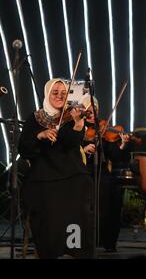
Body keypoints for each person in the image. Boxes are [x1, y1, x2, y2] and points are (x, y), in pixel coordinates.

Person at [19, 79, 94, 258]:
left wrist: (77, 125)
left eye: (63, 93)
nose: (60, 96)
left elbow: (72, 142)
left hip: (71, 176)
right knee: (47, 214)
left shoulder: (71, 117)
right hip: (44, 177)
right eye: (55, 92)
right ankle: (50, 252)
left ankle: (73, 250)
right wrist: (40, 135)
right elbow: (24, 149)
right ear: (47, 94)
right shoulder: (35, 118)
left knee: (77, 209)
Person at [79, 94, 123, 253]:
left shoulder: (104, 130)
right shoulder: (77, 129)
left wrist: (121, 146)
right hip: (82, 172)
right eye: (88, 109)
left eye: (94, 109)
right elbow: (69, 152)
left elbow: (114, 157)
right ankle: (83, 241)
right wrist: (82, 150)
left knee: (111, 195)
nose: (91, 112)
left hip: (102, 172)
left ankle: (108, 241)